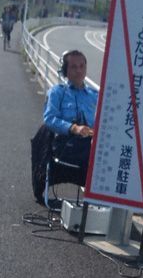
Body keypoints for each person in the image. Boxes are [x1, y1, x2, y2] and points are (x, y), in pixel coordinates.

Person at [31, 50, 98, 204]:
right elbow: (49, 118)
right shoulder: (57, 92)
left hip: (90, 149)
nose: (79, 70)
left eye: (82, 66)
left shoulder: (95, 95)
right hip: (63, 148)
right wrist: (73, 128)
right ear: (65, 71)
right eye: (74, 67)